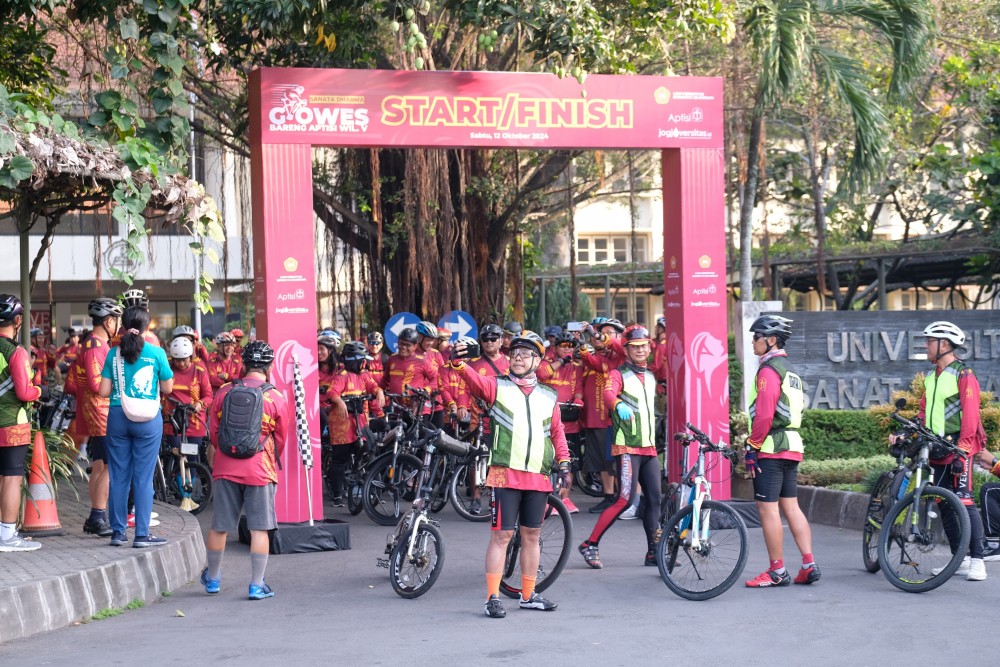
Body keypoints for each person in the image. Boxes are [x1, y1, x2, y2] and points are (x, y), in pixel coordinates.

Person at [449, 331, 572, 618]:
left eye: (525, 354)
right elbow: (474, 381)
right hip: (505, 474)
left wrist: (564, 463)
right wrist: (457, 364)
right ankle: (492, 597)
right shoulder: (497, 386)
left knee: (532, 535)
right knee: (502, 536)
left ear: (537, 360)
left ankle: (528, 596)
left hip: (538, 477)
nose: (517, 358)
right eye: (514, 354)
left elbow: (557, 432)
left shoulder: (548, 395)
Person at [201, 341, 289, 600]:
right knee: (259, 529)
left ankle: (213, 580)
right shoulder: (275, 397)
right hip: (260, 468)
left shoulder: (225, 390)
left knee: (220, 526)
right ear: (269, 366)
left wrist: (226, 451)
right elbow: (281, 438)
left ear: (244, 364)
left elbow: (214, 430)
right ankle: (256, 585)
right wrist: (271, 459)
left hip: (226, 466)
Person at [742, 315, 820, 588]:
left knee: (768, 508)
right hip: (792, 445)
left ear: (771, 340)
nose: (753, 342)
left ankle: (777, 571)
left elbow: (764, 414)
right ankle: (808, 565)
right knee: (791, 506)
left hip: (771, 447)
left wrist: (752, 446)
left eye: (756, 337)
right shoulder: (791, 370)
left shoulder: (769, 370)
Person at [578, 325, 663, 568]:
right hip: (627, 446)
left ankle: (653, 552)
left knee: (655, 498)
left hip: (648, 447)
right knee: (624, 499)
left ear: (649, 347)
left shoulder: (649, 374)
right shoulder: (617, 374)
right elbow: (607, 394)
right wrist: (617, 404)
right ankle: (590, 544)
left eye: (644, 345)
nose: (640, 350)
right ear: (625, 349)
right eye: (634, 346)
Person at [915, 320, 987, 580]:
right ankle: (961, 558)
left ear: (943, 344)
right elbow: (924, 411)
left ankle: (978, 559)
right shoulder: (932, 376)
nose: (926, 346)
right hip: (937, 446)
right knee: (943, 501)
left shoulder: (963, 374)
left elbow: (970, 414)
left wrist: (964, 449)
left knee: (965, 501)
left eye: (929, 341)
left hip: (959, 445)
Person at [99, 306, 174, 548]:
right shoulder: (156, 353)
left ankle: (118, 533)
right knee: (143, 479)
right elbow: (168, 389)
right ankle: (142, 535)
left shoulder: (113, 353)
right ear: (147, 327)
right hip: (148, 421)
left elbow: (103, 391)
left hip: (118, 417)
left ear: (123, 325)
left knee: (119, 478)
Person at [452, 323, 510, 515]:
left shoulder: (510, 363)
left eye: (494, 338)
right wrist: (461, 405)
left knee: (499, 461)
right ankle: (475, 498)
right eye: (485, 339)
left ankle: (497, 498)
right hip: (479, 420)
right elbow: (464, 388)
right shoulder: (474, 364)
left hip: (504, 421)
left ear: (501, 341)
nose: (490, 342)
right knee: (476, 460)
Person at [0, 295, 43, 551]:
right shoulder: (16, 352)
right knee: (11, 478)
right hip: (12, 425)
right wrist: (38, 390)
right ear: (17, 320)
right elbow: (25, 393)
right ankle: (6, 535)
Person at [80, 297, 123, 538]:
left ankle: (95, 516)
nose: (118, 325)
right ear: (108, 321)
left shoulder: (96, 344)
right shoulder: (96, 346)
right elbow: (98, 384)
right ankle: (98, 515)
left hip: (98, 412)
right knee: (110, 467)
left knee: (99, 465)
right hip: (102, 413)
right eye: (116, 320)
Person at [324, 342, 385, 506]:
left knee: (370, 451)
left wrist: (379, 392)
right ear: (355, 361)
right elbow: (332, 393)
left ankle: (370, 489)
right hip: (342, 425)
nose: (364, 363)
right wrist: (340, 402)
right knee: (340, 460)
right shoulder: (342, 375)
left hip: (360, 422)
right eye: (362, 360)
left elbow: (374, 386)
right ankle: (337, 494)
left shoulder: (364, 375)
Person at [579, 317, 626, 513]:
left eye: (607, 333)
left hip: (612, 418)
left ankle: (620, 497)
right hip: (592, 419)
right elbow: (593, 363)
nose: (601, 336)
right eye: (599, 332)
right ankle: (608, 496)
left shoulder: (622, 355)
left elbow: (601, 363)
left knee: (614, 460)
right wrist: (582, 344)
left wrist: (597, 336)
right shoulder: (594, 357)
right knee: (600, 460)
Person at [537, 331, 585, 514]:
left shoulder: (577, 368)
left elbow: (579, 388)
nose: (567, 349)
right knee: (548, 459)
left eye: (570, 346)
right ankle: (548, 498)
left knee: (569, 460)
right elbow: (542, 374)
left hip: (570, 420)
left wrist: (579, 399)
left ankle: (564, 499)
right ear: (555, 348)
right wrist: (562, 361)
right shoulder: (547, 364)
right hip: (547, 420)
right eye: (562, 346)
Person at [163, 337, 213, 451]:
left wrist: (200, 404)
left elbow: (209, 396)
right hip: (173, 423)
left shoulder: (200, 371)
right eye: (177, 360)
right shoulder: (168, 371)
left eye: (184, 360)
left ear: (190, 357)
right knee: (175, 457)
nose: (180, 364)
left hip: (195, 423)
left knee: (192, 460)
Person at [381, 327, 438, 418]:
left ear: (415, 346)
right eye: (401, 343)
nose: (403, 347)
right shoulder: (392, 359)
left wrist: (427, 390)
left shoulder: (422, 361)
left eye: (407, 345)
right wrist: (377, 391)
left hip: (418, 409)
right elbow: (385, 380)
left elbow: (437, 378)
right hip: (396, 409)